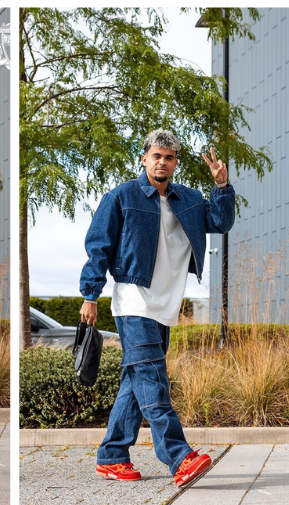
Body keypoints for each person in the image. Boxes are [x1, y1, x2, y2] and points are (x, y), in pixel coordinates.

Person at [80, 129, 233, 486]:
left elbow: (220, 222)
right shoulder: (122, 196)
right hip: (134, 301)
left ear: (176, 163)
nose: (162, 162)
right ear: (144, 158)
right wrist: (90, 295)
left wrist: (222, 188)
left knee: (135, 382)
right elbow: (98, 246)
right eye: (156, 156)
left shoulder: (190, 199)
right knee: (152, 380)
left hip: (165, 304)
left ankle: (112, 456)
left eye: (169, 157)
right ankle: (179, 458)